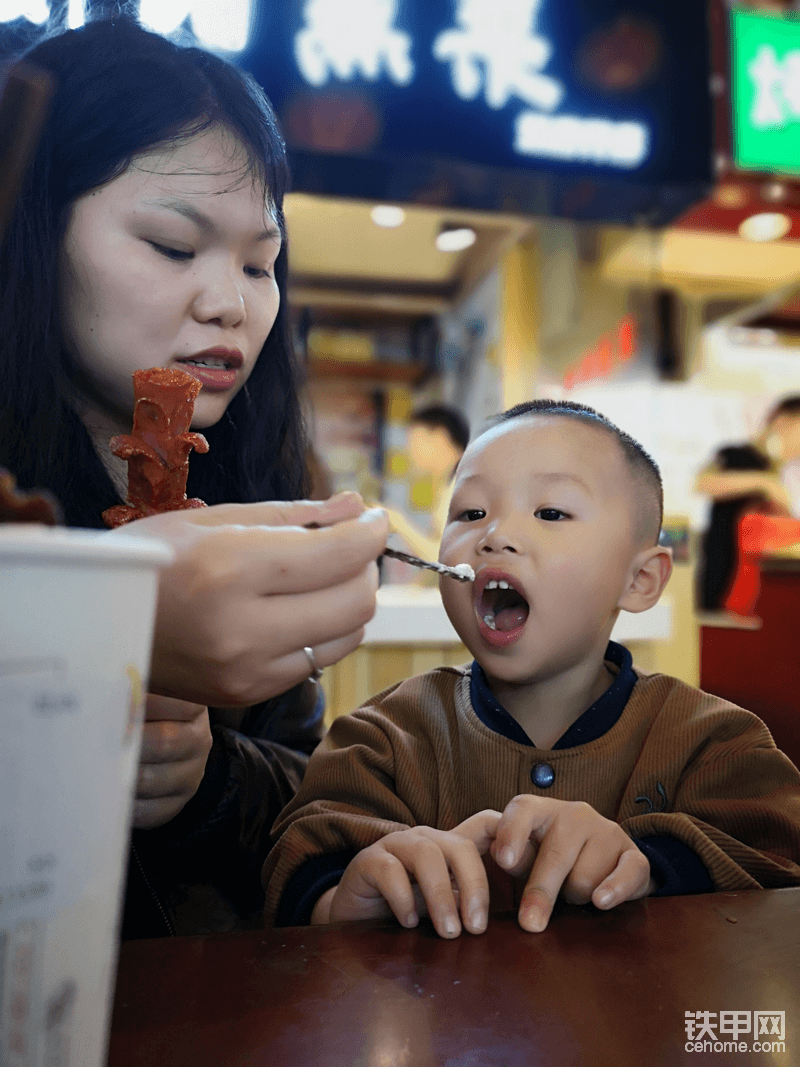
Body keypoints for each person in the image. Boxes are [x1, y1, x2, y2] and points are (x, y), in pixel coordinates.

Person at [0, 17, 389, 936]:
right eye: (175, 246)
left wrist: (206, 776)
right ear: (33, 230)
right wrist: (105, 637)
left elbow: (304, 795)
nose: (231, 302)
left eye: (261, 261)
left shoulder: (261, 490)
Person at [263, 399, 800, 939]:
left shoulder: (714, 741)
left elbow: (776, 855)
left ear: (639, 580)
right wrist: (343, 898)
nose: (494, 535)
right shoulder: (384, 737)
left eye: (550, 513)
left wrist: (650, 863)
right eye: (471, 513)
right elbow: (299, 859)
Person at [695, 396, 800, 611]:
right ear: (783, 421)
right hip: (724, 575)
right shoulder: (738, 455)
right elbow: (703, 483)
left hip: (751, 589)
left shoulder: (775, 469)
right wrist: (763, 483)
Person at [382, 403, 469, 564]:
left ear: (439, 437)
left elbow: (446, 558)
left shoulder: (465, 486)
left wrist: (399, 523)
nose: (409, 451)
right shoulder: (450, 483)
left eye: (414, 441)